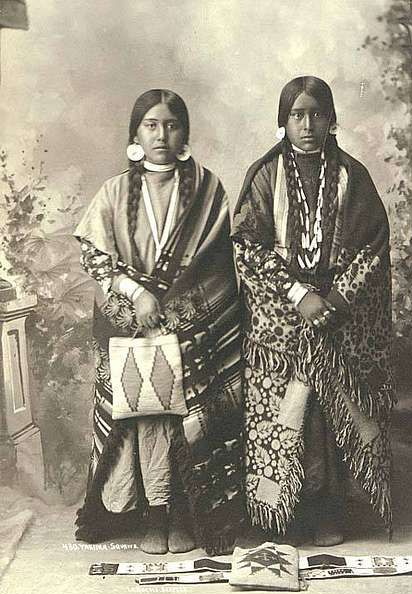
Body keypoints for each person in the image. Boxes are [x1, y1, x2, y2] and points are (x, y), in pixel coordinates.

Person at [74, 89, 243, 555]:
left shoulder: (208, 189)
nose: (161, 134)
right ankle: (153, 514)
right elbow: (95, 256)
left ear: (184, 132)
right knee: (143, 414)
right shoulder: (114, 192)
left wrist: (178, 314)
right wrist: (137, 295)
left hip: (190, 326)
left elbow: (217, 266)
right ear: (136, 134)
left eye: (171, 124)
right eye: (151, 125)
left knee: (184, 418)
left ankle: (185, 514)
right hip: (134, 324)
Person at [231, 76, 395, 546]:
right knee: (288, 411)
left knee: (331, 409)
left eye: (317, 115)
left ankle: (330, 510)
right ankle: (283, 514)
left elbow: (373, 245)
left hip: (339, 313)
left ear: (331, 120)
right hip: (283, 315)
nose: (307, 125)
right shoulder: (265, 176)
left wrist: (336, 299)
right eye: (297, 115)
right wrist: (298, 295)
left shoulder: (352, 176)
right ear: (283, 121)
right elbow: (248, 246)